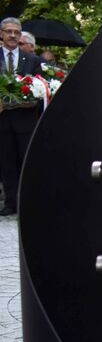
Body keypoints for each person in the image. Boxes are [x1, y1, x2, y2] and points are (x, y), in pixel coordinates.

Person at [0, 17, 42, 217]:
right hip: (2, 120)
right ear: (1, 34)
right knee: (6, 162)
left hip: (25, 119)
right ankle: (10, 203)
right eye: (8, 31)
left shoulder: (31, 59)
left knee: (26, 162)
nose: (12, 35)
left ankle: (27, 202)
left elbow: (40, 87)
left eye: (16, 32)